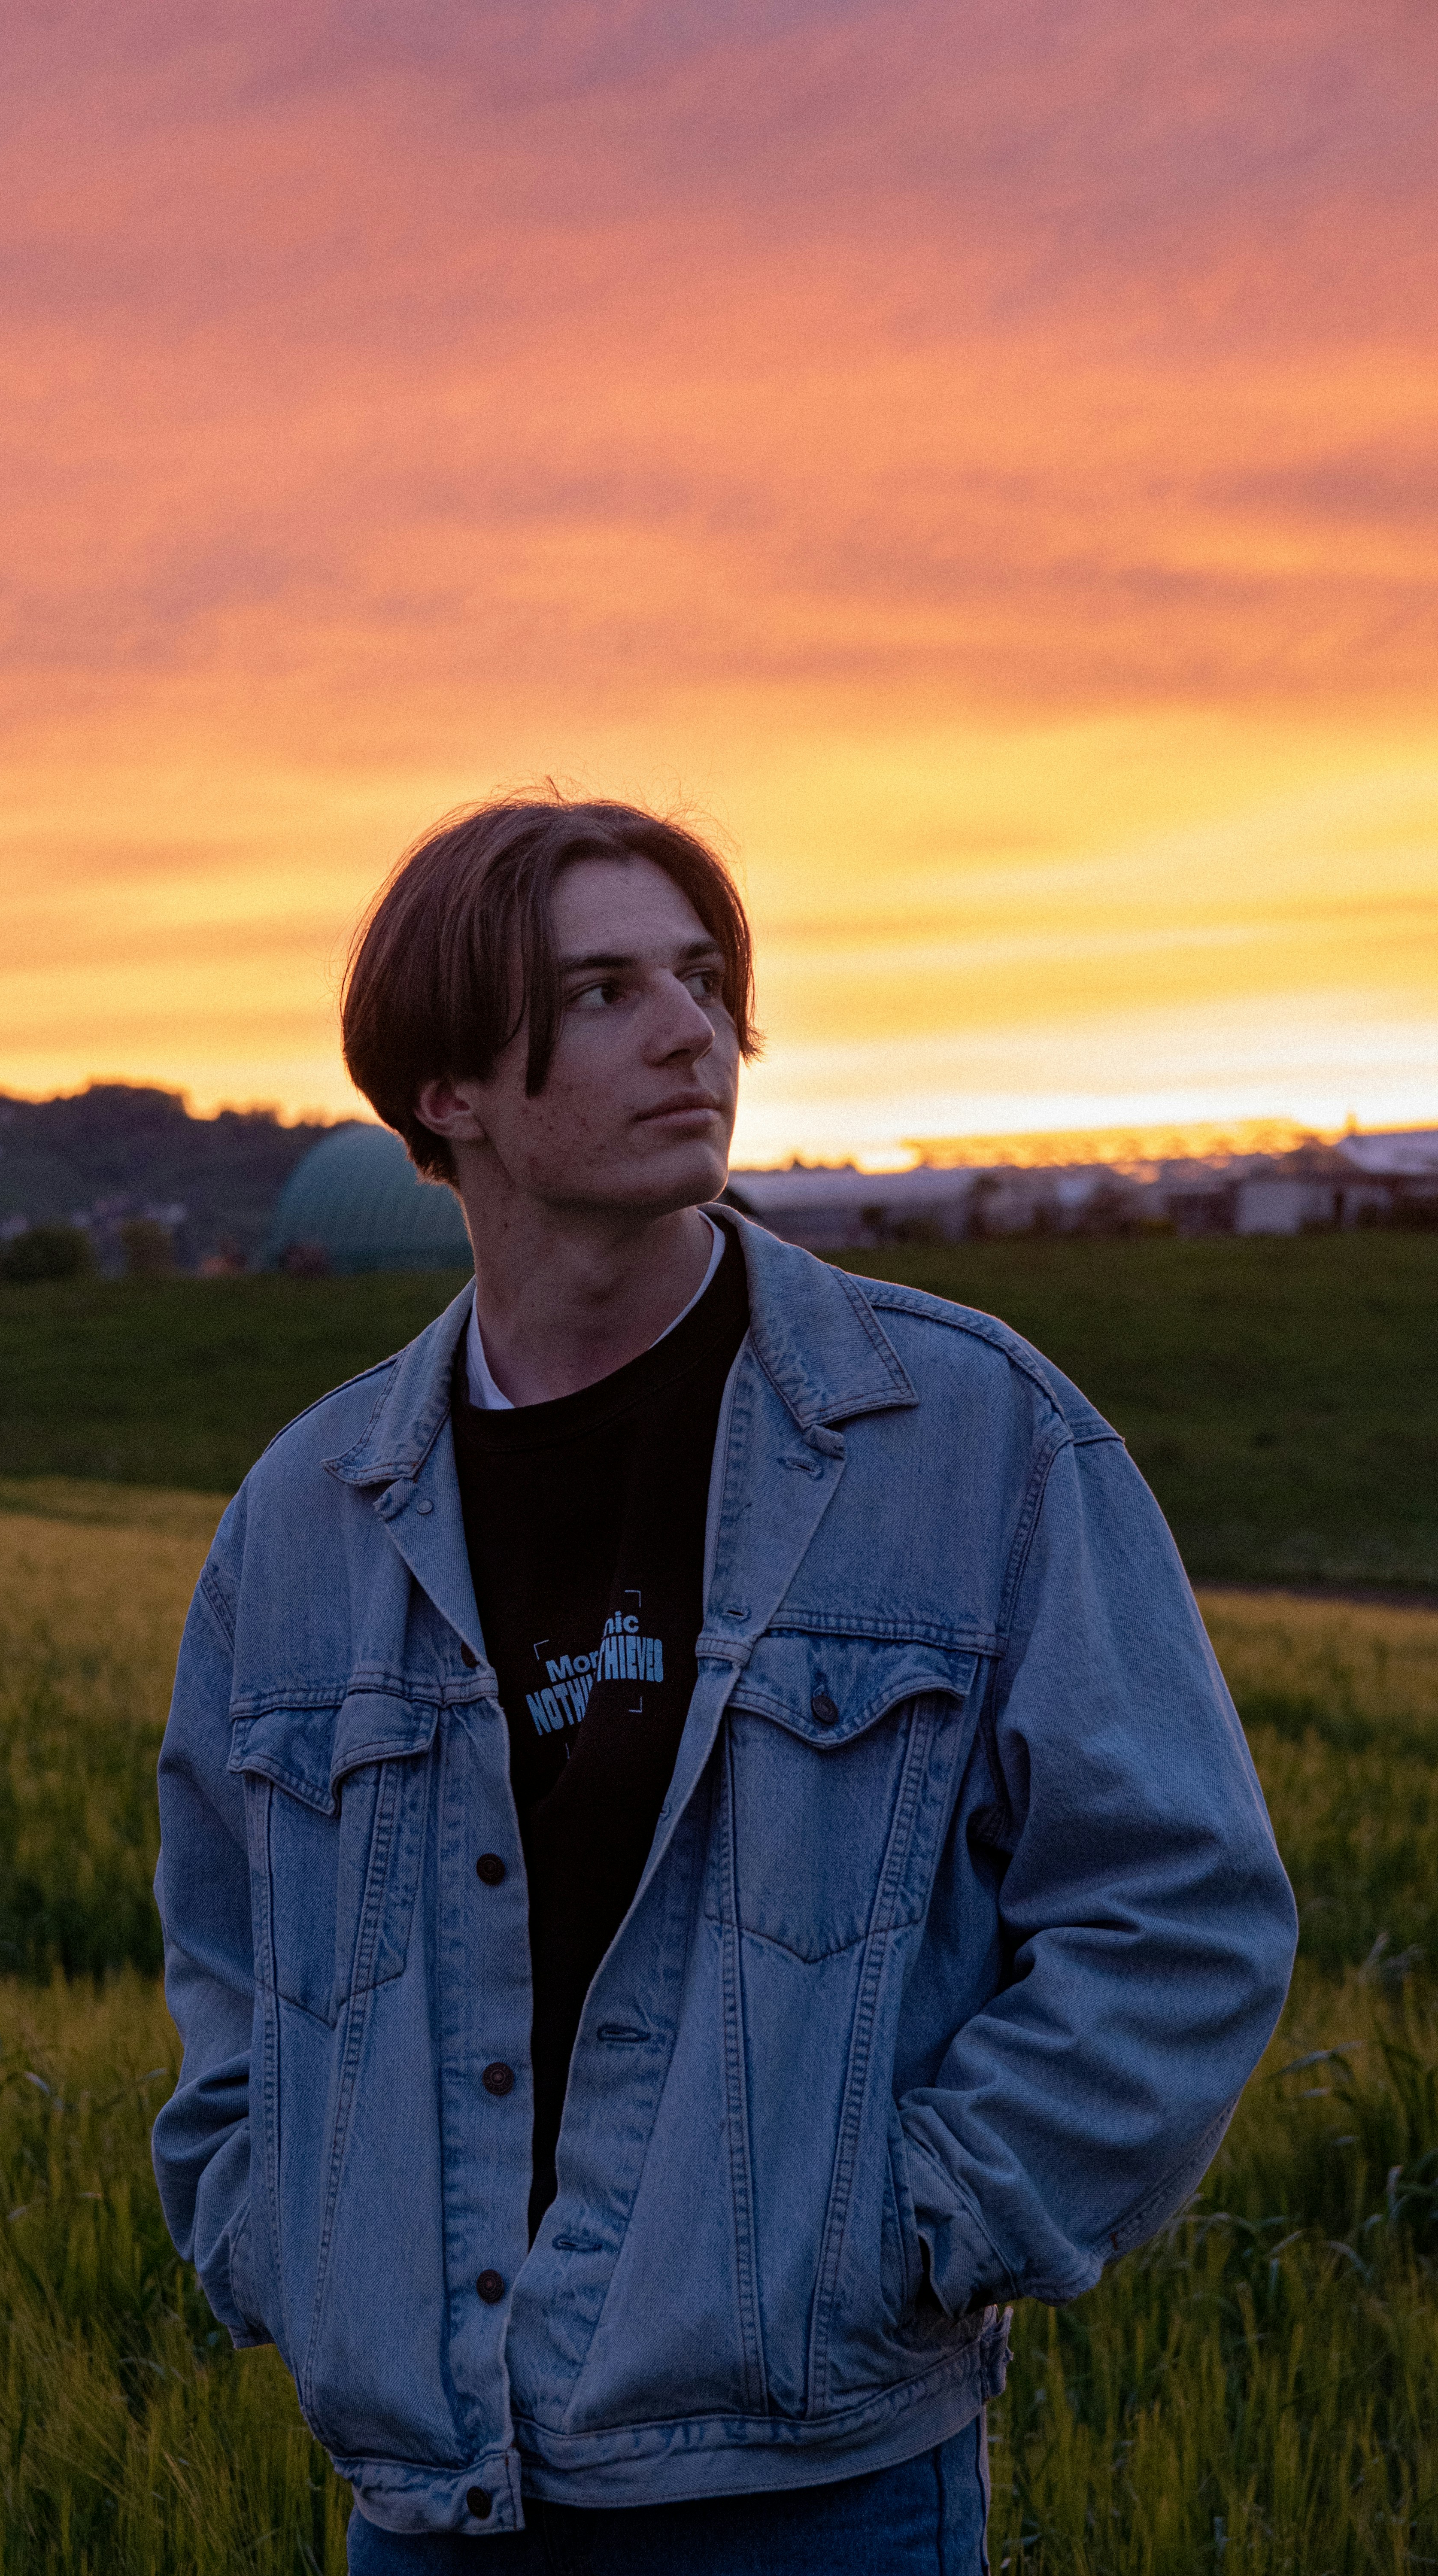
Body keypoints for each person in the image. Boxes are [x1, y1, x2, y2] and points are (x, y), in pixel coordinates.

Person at [152, 796, 1297, 2573]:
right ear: (448, 1092)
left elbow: (1180, 1910)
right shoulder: (308, 1519)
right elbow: (230, 1969)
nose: (691, 1029)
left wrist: (903, 2234)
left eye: (701, 978)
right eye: (604, 991)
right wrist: (289, 2247)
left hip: (813, 2491)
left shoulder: (959, 1434)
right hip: (433, 2498)